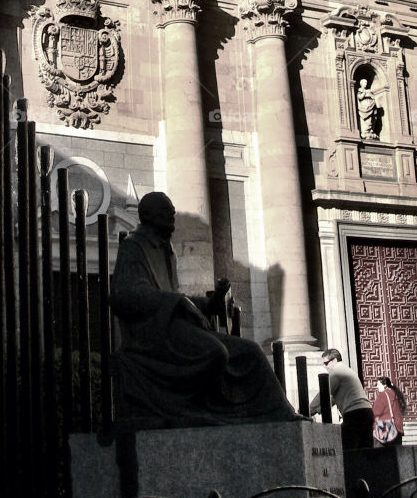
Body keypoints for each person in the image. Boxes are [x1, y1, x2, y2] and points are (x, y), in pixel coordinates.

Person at [111, 191, 301, 427]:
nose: (172, 215)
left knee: (250, 350)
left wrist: (213, 300)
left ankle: (279, 412)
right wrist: (177, 301)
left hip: (174, 327)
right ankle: (198, 409)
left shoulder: (166, 250)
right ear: (147, 215)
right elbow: (123, 295)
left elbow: (173, 293)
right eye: (165, 211)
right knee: (214, 353)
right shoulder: (133, 246)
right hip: (153, 334)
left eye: (172, 211)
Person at [309, 349, 374, 450]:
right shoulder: (348, 371)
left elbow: (324, 393)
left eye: (326, 363)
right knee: (365, 451)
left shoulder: (336, 372)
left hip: (354, 414)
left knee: (347, 450)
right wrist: (319, 410)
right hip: (367, 411)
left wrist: (307, 410)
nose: (325, 367)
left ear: (334, 360)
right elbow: (333, 399)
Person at [372, 375, 405, 446]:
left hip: (386, 428)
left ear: (384, 385)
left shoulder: (383, 395)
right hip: (397, 428)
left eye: (378, 384)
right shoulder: (395, 393)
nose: (377, 386)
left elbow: (376, 412)